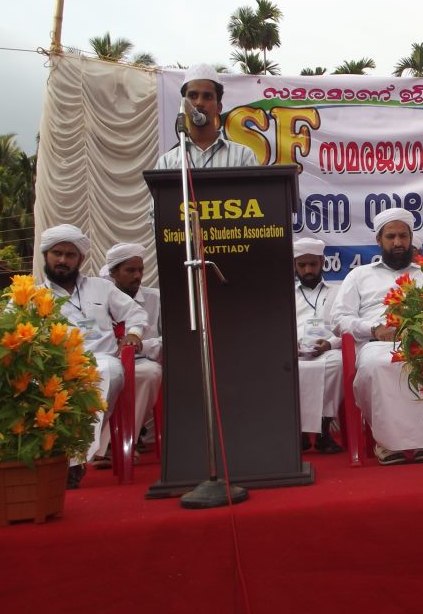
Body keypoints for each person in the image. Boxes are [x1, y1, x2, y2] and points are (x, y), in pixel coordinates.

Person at [331, 208, 423, 465]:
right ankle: (387, 442)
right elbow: (338, 319)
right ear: (379, 240)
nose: (398, 242)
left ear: (411, 238)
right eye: (391, 236)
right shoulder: (359, 275)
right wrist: (373, 329)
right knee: (377, 365)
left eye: (403, 236)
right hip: (376, 343)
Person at [37, 225, 148, 485]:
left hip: (100, 360)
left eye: (70, 255)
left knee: (109, 371)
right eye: (57, 253)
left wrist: (134, 334)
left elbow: (135, 313)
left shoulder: (101, 288)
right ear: (46, 255)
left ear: (81, 259)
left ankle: (73, 458)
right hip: (56, 365)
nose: (63, 260)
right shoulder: (32, 295)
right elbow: (9, 326)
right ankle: (66, 458)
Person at [100, 243, 162, 449]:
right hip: (105, 361)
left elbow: (171, 341)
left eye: (140, 270)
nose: (137, 276)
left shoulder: (156, 299)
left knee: (150, 373)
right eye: (130, 270)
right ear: (113, 273)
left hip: (141, 361)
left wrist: (141, 346)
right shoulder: (98, 301)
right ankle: (105, 445)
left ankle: (121, 444)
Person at [156, 63, 258, 169]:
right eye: (193, 96)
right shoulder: (166, 163)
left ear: (219, 107)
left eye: (207, 97)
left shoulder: (243, 157)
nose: (199, 102)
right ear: (184, 106)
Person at [293, 237, 343, 454]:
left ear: (322, 262)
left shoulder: (338, 291)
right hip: (294, 352)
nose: (308, 270)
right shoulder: (286, 294)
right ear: (294, 265)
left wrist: (330, 344)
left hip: (328, 350)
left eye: (313, 264)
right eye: (302, 265)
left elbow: (346, 325)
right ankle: (300, 432)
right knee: (287, 368)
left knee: (337, 364)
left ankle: (324, 430)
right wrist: (288, 344)